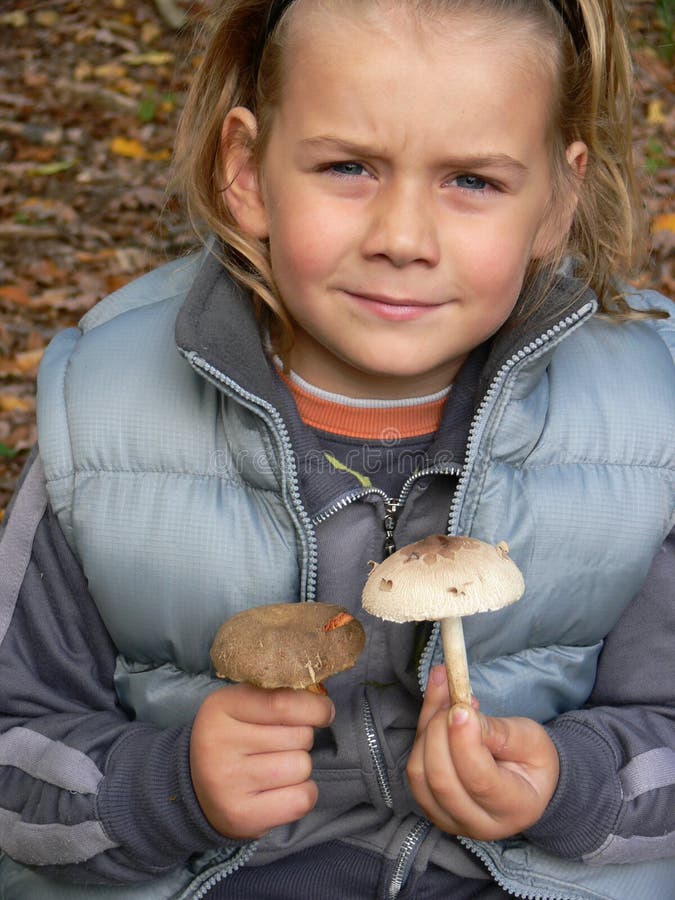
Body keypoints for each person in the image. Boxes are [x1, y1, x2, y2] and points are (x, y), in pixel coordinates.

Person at [0, 0, 673, 897]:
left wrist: (572, 783)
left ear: (557, 198)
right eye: (348, 166)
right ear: (246, 169)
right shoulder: (111, 421)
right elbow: (17, 747)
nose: (401, 239)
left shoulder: (645, 421)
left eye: (472, 180)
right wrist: (163, 788)